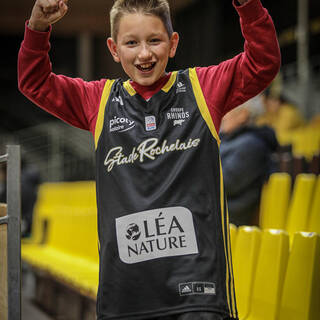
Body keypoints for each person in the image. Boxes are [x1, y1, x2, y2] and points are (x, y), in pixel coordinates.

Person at [18, 0, 280, 319]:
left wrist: (248, 5)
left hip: (197, 292)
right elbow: (35, 82)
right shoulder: (98, 101)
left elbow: (262, 62)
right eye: (132, 43)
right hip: (126, 296)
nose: (144, 54)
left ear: (173, 44)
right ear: (114, 49)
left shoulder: (202, 88)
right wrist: (38, 28)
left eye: (154, 40)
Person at [220, 98, 279, 226]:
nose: (222, 116)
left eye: (226, 110)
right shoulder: (229, 140)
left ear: (243, 114)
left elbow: (223, 184)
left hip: (230, 218)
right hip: (215, 210)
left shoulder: (251, 145)